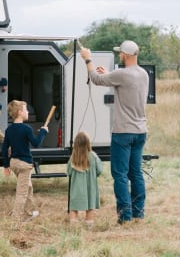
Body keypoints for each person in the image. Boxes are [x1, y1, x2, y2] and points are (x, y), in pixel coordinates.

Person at [80, 40, 149, 225]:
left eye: (120, 53)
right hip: (140, 131)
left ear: (125, 55)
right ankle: (138, 214)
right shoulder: (143, 74)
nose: (119, 55)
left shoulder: (121, 74)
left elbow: (95, 79)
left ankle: (125, 217)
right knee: (136, 174)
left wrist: (88, 60)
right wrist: (110, 75)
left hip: (123, 132)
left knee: (120, 175)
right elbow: (126, 82)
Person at [1, 100, 48, 222]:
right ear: (20, 112)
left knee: (28, 187)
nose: (28, 112)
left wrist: (6, 166)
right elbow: (36, 143)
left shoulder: (9, 130)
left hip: (14, 163)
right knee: (22, 193)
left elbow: (4, 148)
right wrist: (43, 132)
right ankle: (16, 220)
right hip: (24, 164)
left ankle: (29, 213)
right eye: (26, 110)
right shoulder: (26, 128)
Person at [67, 131, 103, 226]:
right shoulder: (93, 156)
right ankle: (89, 225)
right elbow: (99, 170)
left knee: (74, 206)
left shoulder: (73, 157)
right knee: (90, 206)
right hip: (90, 186)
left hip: (76, 188)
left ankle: (74, 225)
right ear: (88, 143)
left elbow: (69, 171)